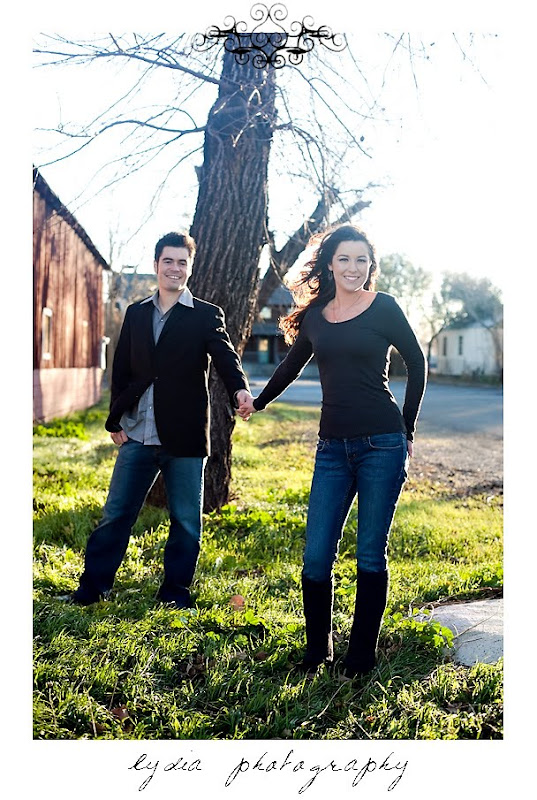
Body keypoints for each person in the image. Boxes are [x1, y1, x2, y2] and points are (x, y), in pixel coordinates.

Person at [239, 224, 427, 678]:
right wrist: (258, 401)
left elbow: (416, 362)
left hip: (382, 443)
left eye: (362, 260)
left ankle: (361, 656)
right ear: (329, 263)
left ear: (371, 266)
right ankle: (318, 650)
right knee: (316, 554)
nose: (353, 268)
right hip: (332, 449)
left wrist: (406, 429)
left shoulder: (383, 307)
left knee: (369, 552)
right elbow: (290, 364)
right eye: (344, 259)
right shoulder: (317, 316)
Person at [63, 231, 253, 609]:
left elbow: (226, 358)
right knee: (116, 514)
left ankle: (174, 593)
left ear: (190, 268)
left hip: (184, 436)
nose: (175, 268)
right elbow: (122, 371)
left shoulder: (204, 315)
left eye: (182, 262)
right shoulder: (136, 314)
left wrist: (240, 391)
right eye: (168, 261)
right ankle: (92, 588)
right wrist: (115, 419)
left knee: (185, 521)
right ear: (156, 265)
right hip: (137, 435)